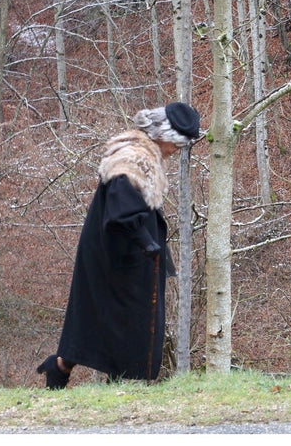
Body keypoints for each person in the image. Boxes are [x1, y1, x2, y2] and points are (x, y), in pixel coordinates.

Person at [37, 102, 200, 389]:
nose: (176, 151)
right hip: (119, 251)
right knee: (125, 316)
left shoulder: (142, 152)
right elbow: (121, 204)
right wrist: (145, 242)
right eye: (176, 144)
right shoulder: (134, 157)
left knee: (110, 316)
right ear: (162, 135)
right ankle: (112, 378)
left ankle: (66, 367)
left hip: (122, 250)